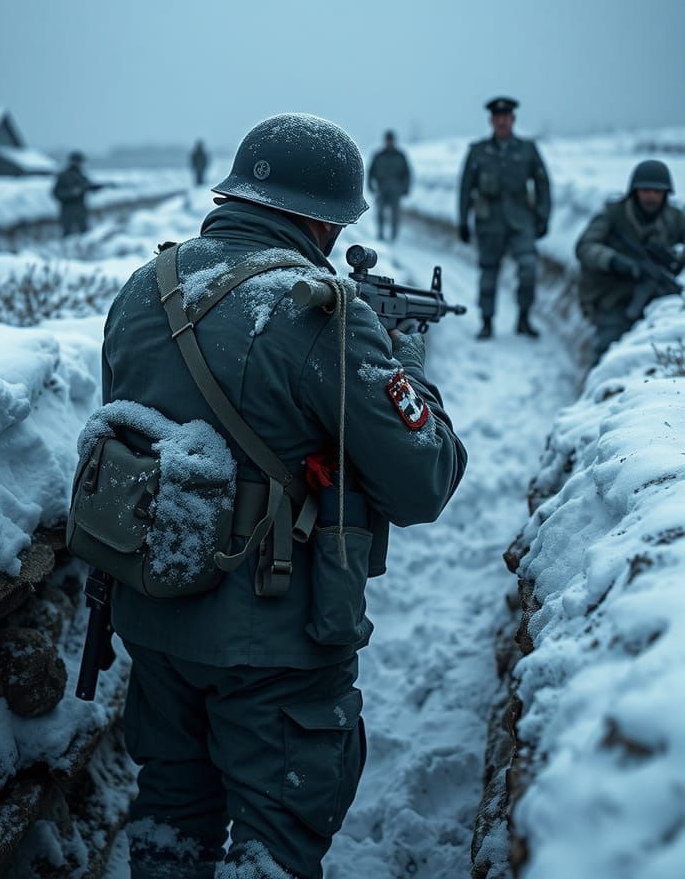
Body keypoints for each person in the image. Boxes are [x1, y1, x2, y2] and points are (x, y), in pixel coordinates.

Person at [101, 113, 467, 879]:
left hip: (154, 615)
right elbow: (425, 478)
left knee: (171, 821)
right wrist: (405, 362)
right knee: (274, 845)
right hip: (277, 642)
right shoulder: (324, 316)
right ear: (321, 217)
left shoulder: (144, 290)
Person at [458, 97, 551, 339]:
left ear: (513, 119)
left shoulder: (527, 149)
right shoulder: (478, 151)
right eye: (497, 117)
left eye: (506, 117)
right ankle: (487, 322)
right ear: (491, 120)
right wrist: (462, 220)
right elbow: (465, 187)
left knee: (529, 268)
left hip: (522, 220)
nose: (501, 121)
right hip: (489, 222)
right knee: (489, 273)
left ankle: (523, 318)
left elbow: (543, 183)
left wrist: (543, 215)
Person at [576, 159, 685, 361]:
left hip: (657, 294)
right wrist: (614, 261)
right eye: (645, 191)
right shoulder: (613, 213)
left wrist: (676, 259)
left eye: (657, 192)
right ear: (635, 191)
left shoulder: (674, 217)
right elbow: (585, 246)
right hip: (614, 295)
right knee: (607, 349)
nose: (651, 197)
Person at [367, 130, 412, 242]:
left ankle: (394, 235)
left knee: (395, 213)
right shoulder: (378, 155)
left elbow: (407, 173)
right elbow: (370, 172)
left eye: (391, 140)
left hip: (395, 187)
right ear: (385, 141)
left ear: (394, 141)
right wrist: (370, 186)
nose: (389, 142)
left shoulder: (400, 155)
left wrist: (405, 188)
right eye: (388, 140)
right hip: (381, 187)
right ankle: (380, 233)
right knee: (380, 211)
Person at [52, 151, 103, 236]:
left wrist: (97, 188)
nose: (80, 164)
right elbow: (56, 193)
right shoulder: (63, 176)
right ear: (73, 162)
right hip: (68, 209)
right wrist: (72, 192)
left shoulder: (81, 175)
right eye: (78, 162)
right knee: (67, 234)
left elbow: (88, 186)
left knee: (84, 233)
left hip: (80, 209)